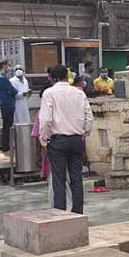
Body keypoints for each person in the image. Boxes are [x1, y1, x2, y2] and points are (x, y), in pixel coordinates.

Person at [38, 64, 94, 214]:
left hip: (58, 140)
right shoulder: (79, 93)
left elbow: (45, 120)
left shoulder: (49, 93)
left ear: (52, 78)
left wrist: (43, 141)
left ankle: (60, 215)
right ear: (66, 76)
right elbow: (89, 117)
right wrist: (84, 134)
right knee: (77, 179)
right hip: (76, 139)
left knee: (59, 180)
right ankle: (78, 213)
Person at [0, 59, 19, 152]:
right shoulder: (3, 78)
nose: (8, 68)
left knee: (7, 126)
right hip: (7, 104)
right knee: (7, 126)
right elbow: (13, 90)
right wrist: (13, 92)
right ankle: (6, 147)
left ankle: (6, 146)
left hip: (6, 104)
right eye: (7, 66)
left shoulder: (2, 77)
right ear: (3, 66)